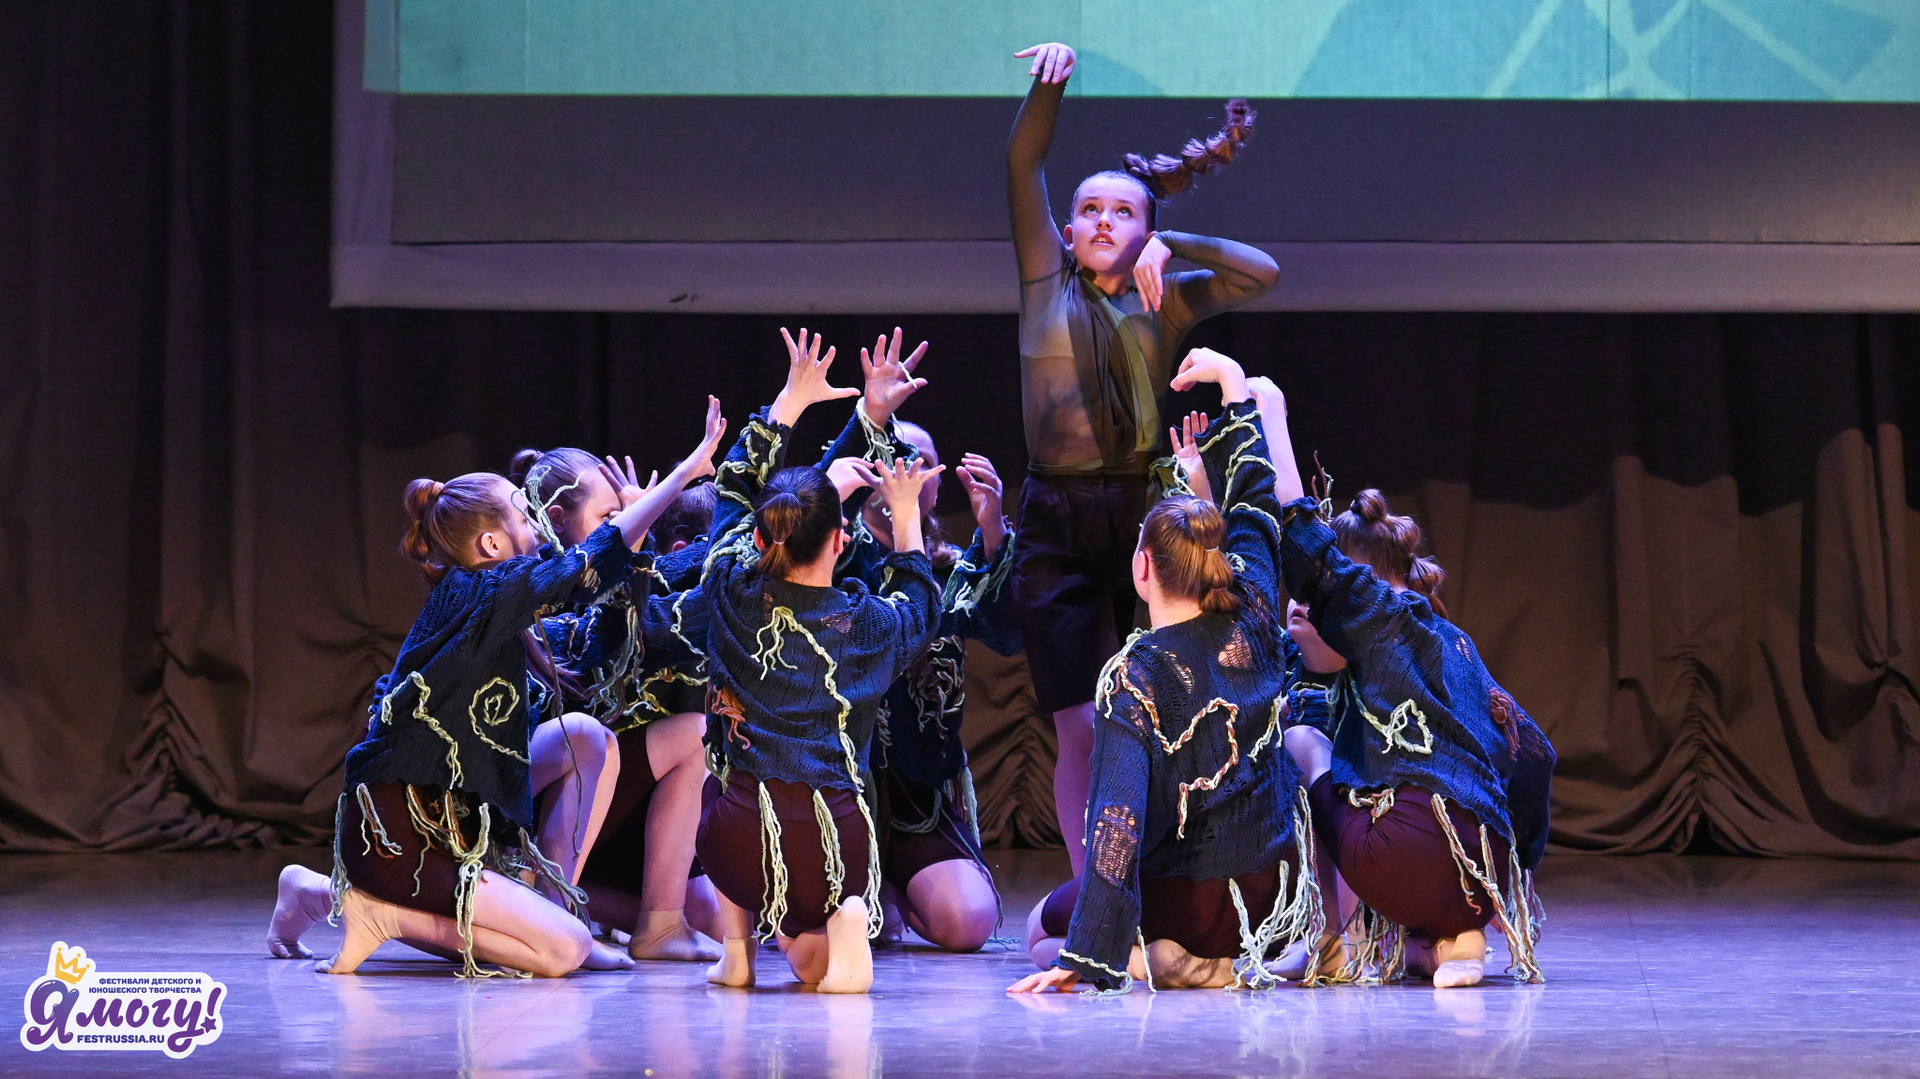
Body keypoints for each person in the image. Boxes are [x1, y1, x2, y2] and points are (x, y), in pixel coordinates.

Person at [264, 401, 726, 977]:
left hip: (450, 825)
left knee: (585, 744)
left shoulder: (491, 600)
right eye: (525, 518)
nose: (536, 528)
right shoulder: (487, 592)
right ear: (490, 544)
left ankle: (327, 893)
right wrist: (682, 477)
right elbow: (589, 562)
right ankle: (379, 914)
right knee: (563, 952)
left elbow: (607, 571)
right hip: (406, 836)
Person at [1006, 41, 1280, 875]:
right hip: (1053, 519)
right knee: (1077, 722)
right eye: (1088, 210)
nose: (1100, 222)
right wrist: (1048, 85)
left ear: (1145, 232)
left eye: (1121, 212)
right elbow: (1022, 163)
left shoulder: (1168, 299)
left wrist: (1178, 242)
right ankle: (1091, 886)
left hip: (1141, 511)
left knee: (1151, 707)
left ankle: (1154, 870)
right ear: (1066, 230)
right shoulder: (1045, 283)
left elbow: (1264, 273)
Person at [1219, 369, 1556, 989]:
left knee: (1303, 744)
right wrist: (1515, 864)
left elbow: (1300, 534)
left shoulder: (1379, 618)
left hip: (1408, 857)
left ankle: (1332, 940)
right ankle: (1450, 944)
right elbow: (1535, 751)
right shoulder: (1450, 640)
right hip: (1483, 875)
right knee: (1375, 780)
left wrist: (1271, 416)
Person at [1009, 349, 1318, 994]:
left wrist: (1086, 955)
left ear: (1141, 568)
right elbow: (1256, 506)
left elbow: (1117, 821)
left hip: (1189, 899)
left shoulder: (1135, 674)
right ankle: (1221, 954)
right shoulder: (1257, 612)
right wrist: (1234, 389)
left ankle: (1156, 957)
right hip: (1270, 894)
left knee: (1039, 933)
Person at [695, 329, 943, 993]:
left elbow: (734, 491)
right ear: (842, 540)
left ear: (758, 538)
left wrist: (789, 402)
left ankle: (737, 952)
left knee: (717, 775)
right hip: (839, 845)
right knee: (817, 945)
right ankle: (846, 913)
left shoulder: (727, 587)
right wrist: (906, 515)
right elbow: (921, 603)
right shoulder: (867, 623)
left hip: (741, 839)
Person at [827, 330, 1023, 953]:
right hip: (837, 786)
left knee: (967, 924)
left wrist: (992, 533)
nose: (909, 470)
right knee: (846, 930)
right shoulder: (833, 558)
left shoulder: (948, 570)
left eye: (923, 462)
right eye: (896, 456)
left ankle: (900, 887)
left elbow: (1004, 631)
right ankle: (866, 889)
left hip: (919, 796)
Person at [510, 446, 721, 962]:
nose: (622, 525)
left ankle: (648, 920)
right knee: (610, 737)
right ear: (556, 519)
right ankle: (551, 900)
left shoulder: (613, 574)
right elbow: (614, 635)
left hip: (609, 794)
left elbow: (685, 573)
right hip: (543, 797)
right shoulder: (543, 581)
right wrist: (639, 534)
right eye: (611, 517)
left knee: (711, 920)